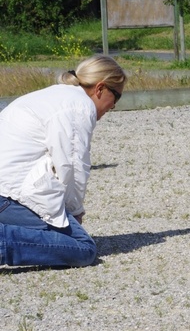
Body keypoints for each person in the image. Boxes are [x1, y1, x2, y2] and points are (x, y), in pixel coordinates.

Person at [0, 55, 126, 267]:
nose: (112, 106)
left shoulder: (55, 95)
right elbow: (72, 169)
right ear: (101, 88)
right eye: (117, 97)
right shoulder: (79, 107)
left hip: (6, 191)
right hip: (6, 195)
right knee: (81, 247)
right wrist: (74, 213)